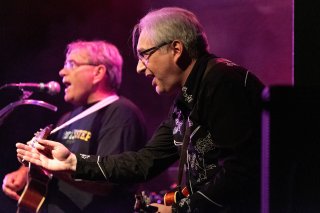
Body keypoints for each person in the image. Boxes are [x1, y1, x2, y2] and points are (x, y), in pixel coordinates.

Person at [17, 7, 265, 213]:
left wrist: (182, 209)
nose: (139, 68)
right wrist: (73, 162)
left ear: (176, 50)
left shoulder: (223, 82)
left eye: (144, 55)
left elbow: (242, 171)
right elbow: (144, 162)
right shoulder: (186, 99)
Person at [4, 40, 147, 212]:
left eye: (72, 64)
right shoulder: (67, 118)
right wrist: (24, 173)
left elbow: (109, 181)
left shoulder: (121, 113)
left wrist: (55, 168)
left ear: (98, 72)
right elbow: (44, 164)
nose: (62, 71)